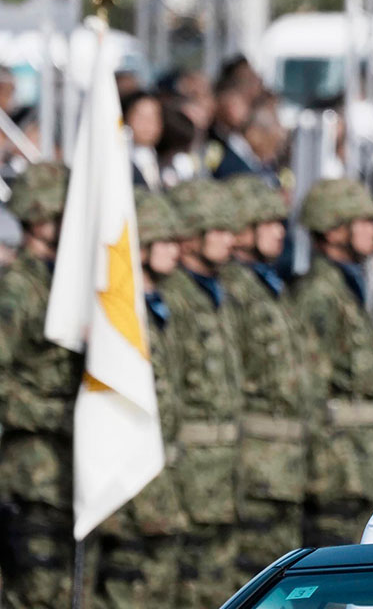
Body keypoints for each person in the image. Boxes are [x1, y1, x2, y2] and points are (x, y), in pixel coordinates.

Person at [219, 175, 318, 578]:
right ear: (244, 227)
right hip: (255, 464)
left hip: (283, 462)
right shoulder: (233, 290)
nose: (281, 232)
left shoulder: (268, 286)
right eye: (270, 223)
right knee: (252, 574)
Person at [95, 189, 190, 608]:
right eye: (165, 241)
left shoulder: (165, 304)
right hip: (125, 479)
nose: (175, 250)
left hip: (162, 475)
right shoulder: (120, 310)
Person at [0, 163, 83, 609]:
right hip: (33, 475)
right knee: (37, 596)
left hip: (70, 470)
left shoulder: (65, 283)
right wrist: (55, 413)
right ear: (39, 216)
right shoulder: (17, 289)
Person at [161, 178, 244, 607]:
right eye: (218, 229)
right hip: (188, 475)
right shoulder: (173, 298)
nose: (229, 239)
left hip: (222, 472)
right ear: (190, 234)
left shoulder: (219, 293)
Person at [293, 178, 373, 545]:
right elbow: (309, 388)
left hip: (355, 463)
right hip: (334, 470)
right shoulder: (319, 294)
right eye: (362, 222)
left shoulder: (346, 287)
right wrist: (318, 471)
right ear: (332, 230)